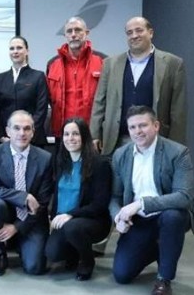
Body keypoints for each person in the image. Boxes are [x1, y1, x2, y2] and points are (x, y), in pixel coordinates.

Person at [110, 105, 194, 295]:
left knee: (173, 217)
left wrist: (141, 203)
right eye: (132, 127)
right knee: (122, 274)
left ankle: (164, 279)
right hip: (138, 221)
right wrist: (118, 217)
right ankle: (162, 248)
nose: (137, 131)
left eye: (143, 125)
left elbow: (183, 196)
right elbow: (114, 197)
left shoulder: (178, 153)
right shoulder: (120, 155)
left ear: (156, 126)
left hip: (167, 215)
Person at [91, 16, 187, 156]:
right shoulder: (110, 64)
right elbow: (99, 102)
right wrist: (94, 135)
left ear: (151, 32)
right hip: (116, 141)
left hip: (156, 142)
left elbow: (178, 111)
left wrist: (175, 147)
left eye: (139, 30)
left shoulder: (173, 64)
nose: (134, 36)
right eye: (129, 33)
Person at [0, 110, 53, 276]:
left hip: (31, 221)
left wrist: (17, 227)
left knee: (34, 268)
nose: (22, 133)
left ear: (33, 132)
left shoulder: (45, 158)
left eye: (27, 128)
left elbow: (42, 203)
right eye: (17, 128)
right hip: (5, 213)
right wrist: (24, 197)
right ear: (8, 131)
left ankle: (20, 241)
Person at [44, 118, 112, 281]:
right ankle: (74, 252)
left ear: (84, 136)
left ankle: (87, 261)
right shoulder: (60, 160)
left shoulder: (99, 164)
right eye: (66, 134)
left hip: (92, 220)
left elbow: (100, 204)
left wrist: (71, 215)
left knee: (73, 229)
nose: (70, 138)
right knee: (52, 254)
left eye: (75, 134)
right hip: (63, 220)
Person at [46, 16, 106, 139]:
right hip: (62, 133)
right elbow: (49, 98)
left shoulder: (102, 61)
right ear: (65, 35)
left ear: (86, 33)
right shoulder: (52, 64)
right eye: (69, 31)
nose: (73, 35)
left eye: (78, 30)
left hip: (92, 133)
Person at [0, 36, 48, 146]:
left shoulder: (38, 76)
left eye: (19, 48)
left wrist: (27, 134)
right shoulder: (0, 78)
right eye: (12, 48)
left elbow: (41, 109)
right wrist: (1, 136)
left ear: (27, 51)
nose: (15, 51)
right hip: (5, 140)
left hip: (33, 140)